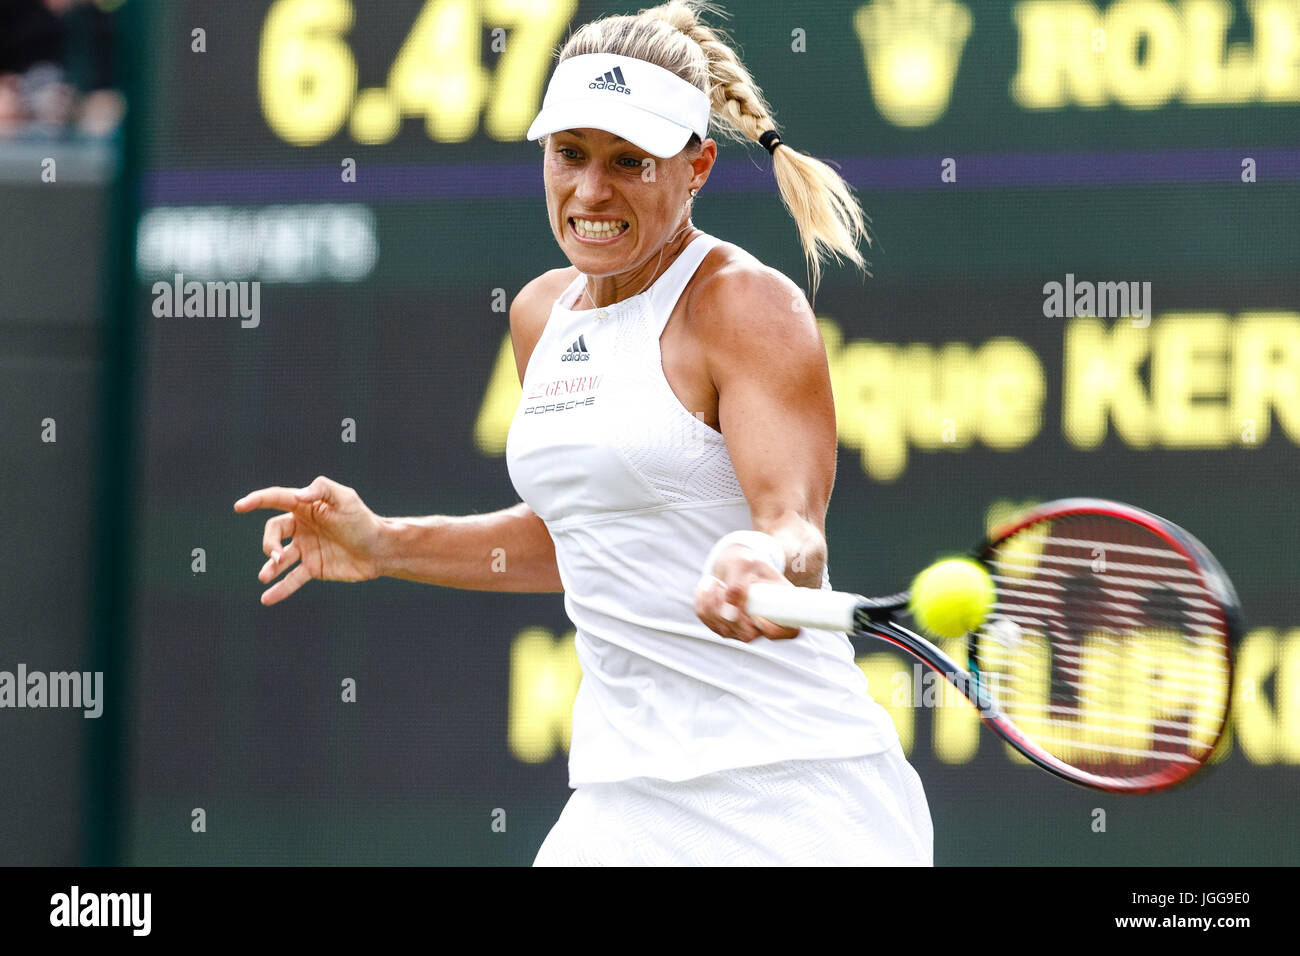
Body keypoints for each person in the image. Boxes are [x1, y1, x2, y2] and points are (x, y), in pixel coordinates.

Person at [235, 0, 932, 866]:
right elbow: (586, 540)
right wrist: (383, 543)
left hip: (796, 789)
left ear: (698, 167)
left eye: (629, 161)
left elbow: (794, 526)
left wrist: (764, 557)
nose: (591, 192)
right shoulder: (540, 315)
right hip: (622, 794)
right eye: (570, 154)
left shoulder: (747, 306)